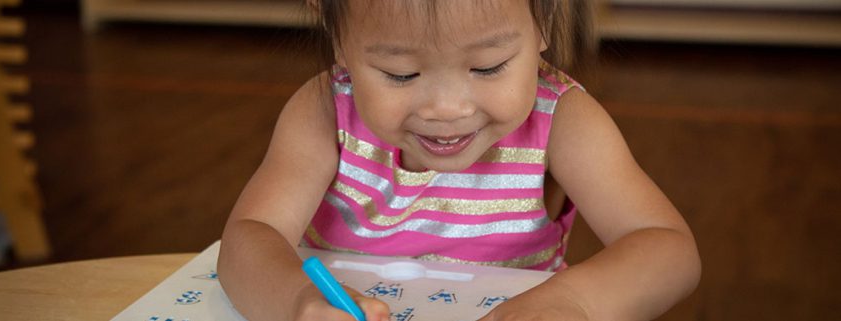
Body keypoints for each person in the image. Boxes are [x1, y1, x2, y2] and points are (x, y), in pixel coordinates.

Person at [217, 0, 701, 320]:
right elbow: (249, 235)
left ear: (545, 20)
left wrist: (573, 302)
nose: (446, 109)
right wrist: (298, 304)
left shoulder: (562, 119)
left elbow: (669, 249)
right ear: (337, 33)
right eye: (400, 73)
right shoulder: (324, 110)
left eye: (488, 67)